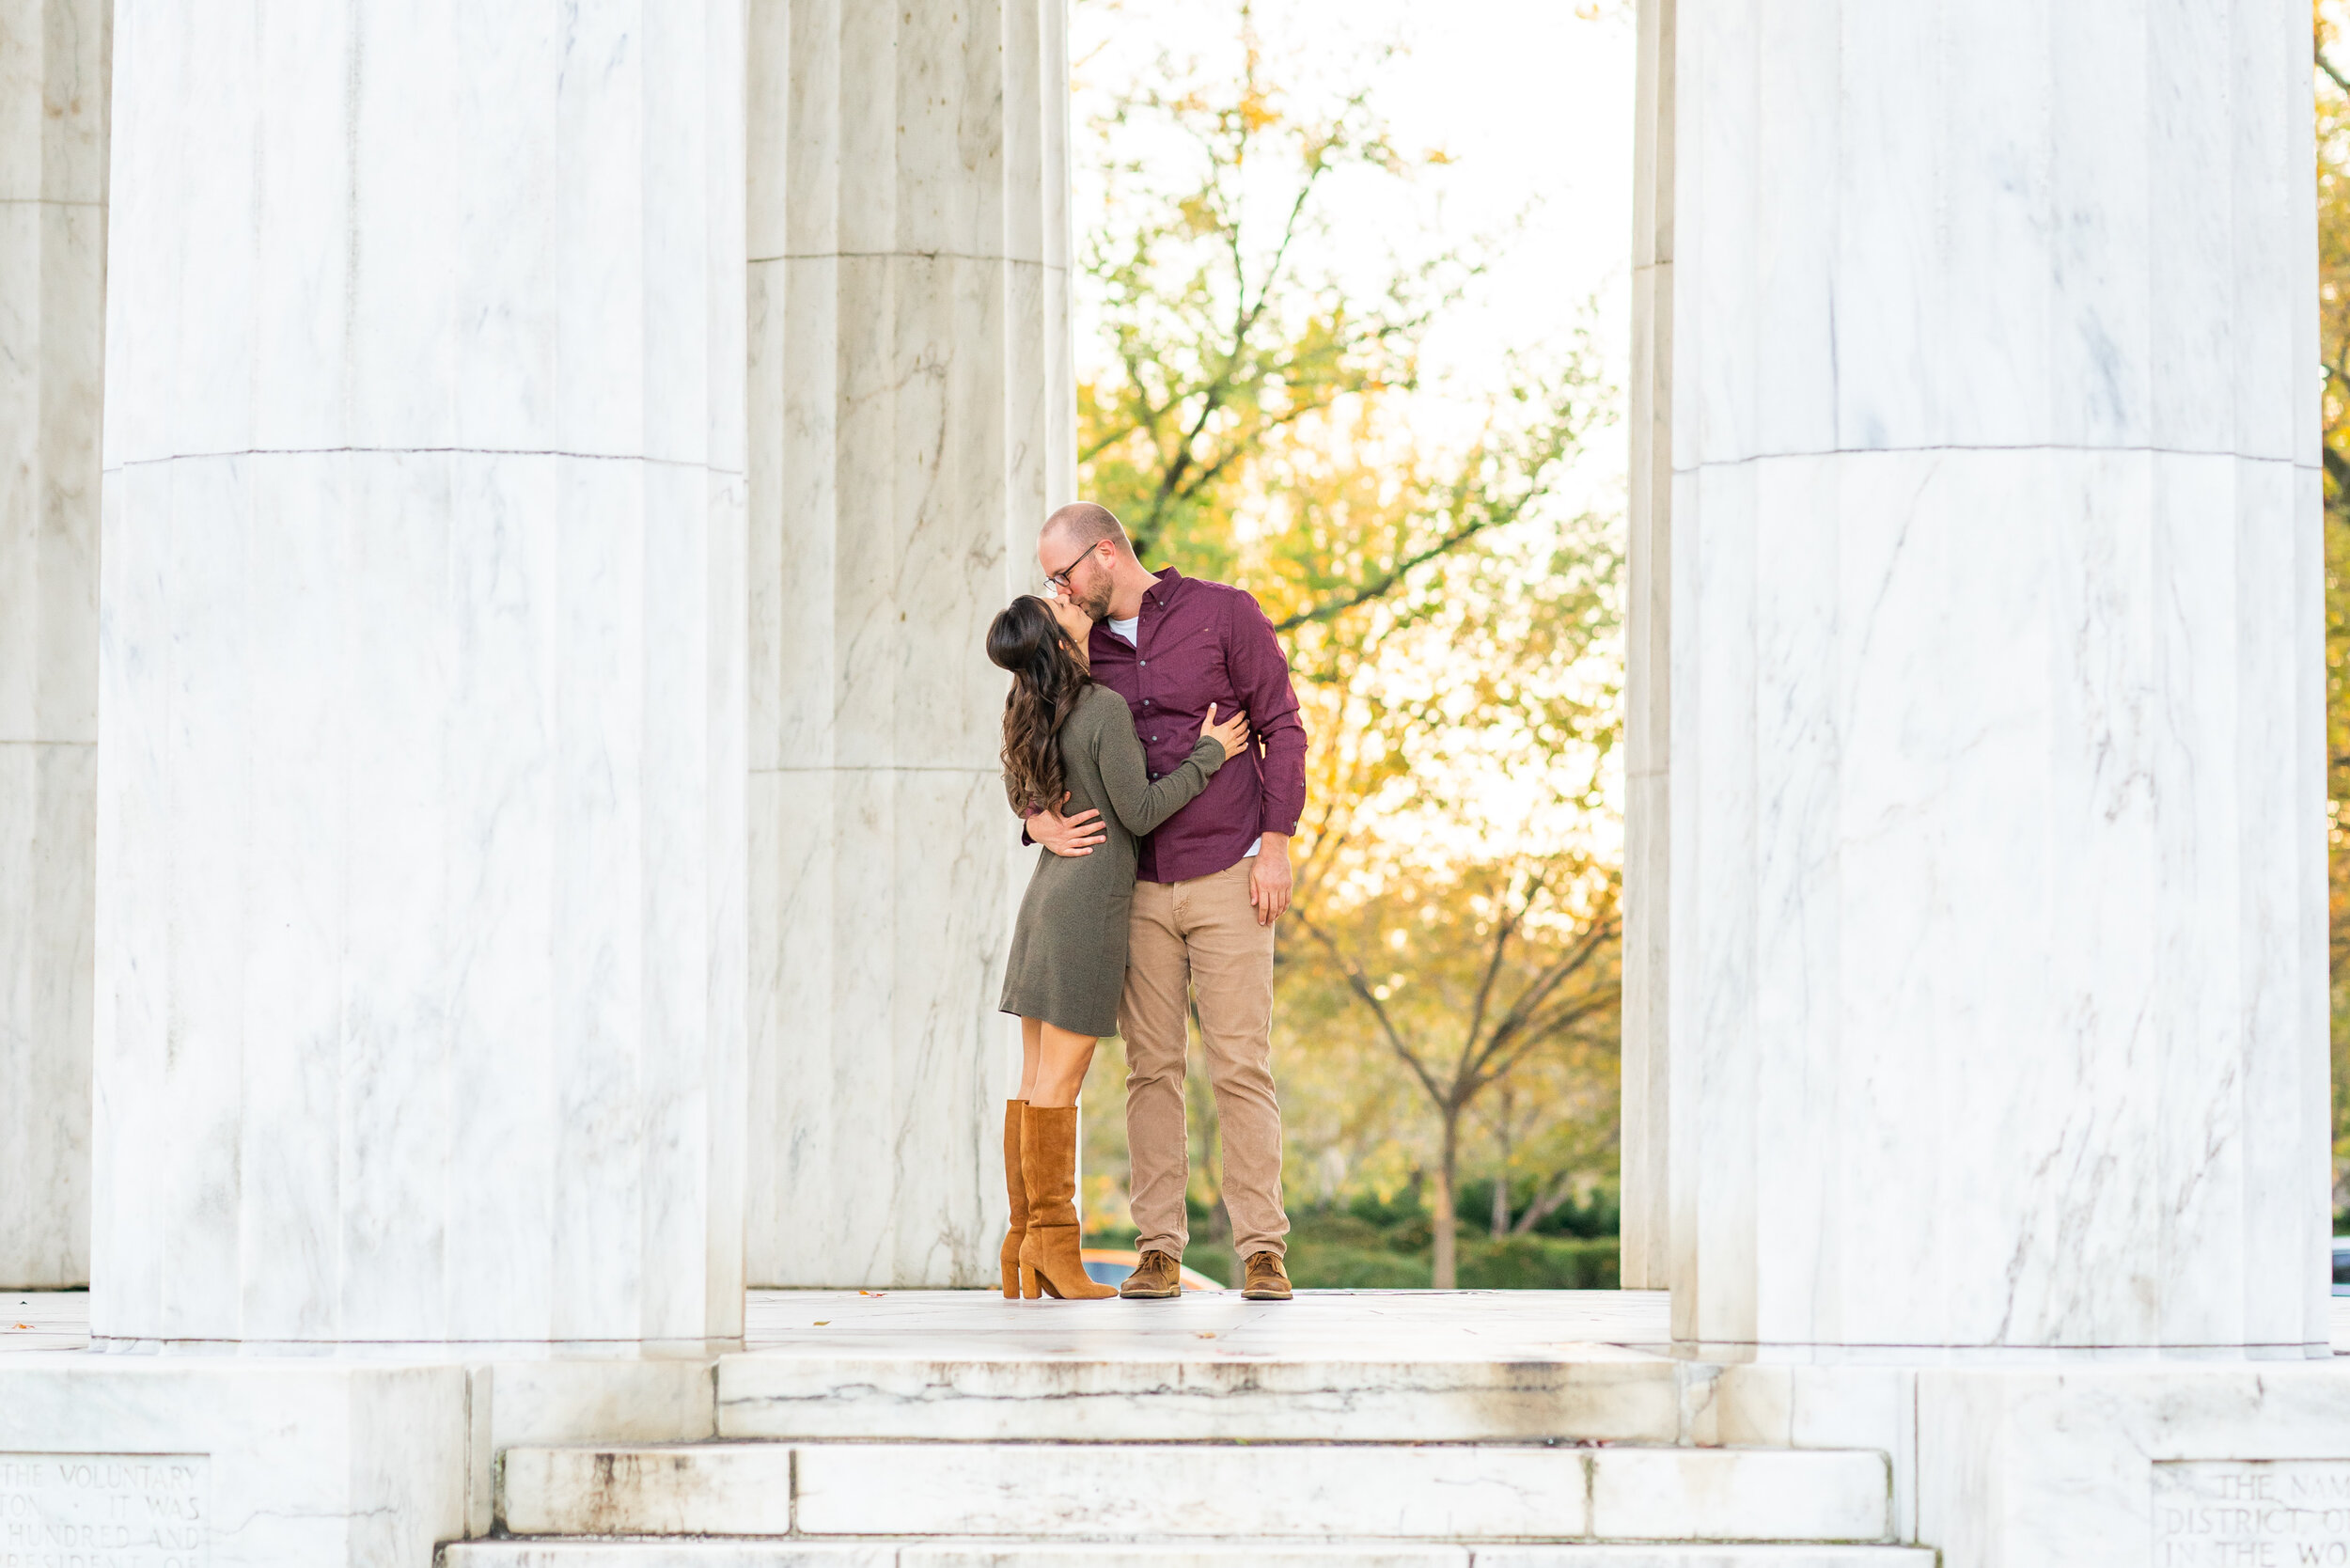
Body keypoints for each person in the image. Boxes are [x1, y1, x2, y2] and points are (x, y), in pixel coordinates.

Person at [1025, 502, 1308, 1303]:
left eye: (1063, 573)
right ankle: (1158, 1250)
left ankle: (1262, 1249)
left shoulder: (1224, 613)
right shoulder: (1077, 648)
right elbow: (1033, 727)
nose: (1059, 589)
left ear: (1106, 555)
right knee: (1150, 1070)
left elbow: (1284, 725)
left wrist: (1277, 845)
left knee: (1240, 1065)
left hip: (1230, 868)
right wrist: (1033, 816)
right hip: (1134, 883)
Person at [987, 592, 1250, 1301]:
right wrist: (1209, 754)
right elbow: (1137, 812)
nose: (1070, 600)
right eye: (1059, 603)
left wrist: (1037, 820)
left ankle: (1022, 1245)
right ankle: (1054, 1251)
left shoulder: (1029, 708)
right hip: (1086, 911)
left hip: (1045, 902)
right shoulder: (1098, 706)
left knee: (1033, 1082)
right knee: (1057, 1088)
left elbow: (1020, 783)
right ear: (1056, 635)